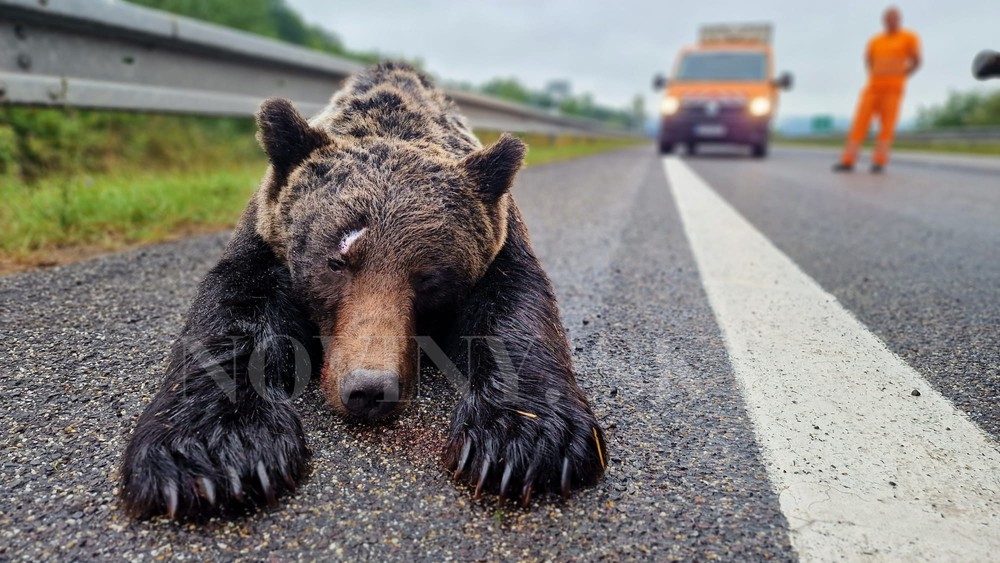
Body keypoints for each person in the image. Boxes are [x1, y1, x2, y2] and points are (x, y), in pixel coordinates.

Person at [834, 7, 921, 173]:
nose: (891, 21)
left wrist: (903, 74)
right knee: (859, 123)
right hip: (873, 88)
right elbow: (868, 61)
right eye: (888, 18)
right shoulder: (875, 41)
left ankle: (879, 162)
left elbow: (917, 61)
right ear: (883, 20)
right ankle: (848, 160)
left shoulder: (909, 38)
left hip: (893, 89)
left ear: (899, 20)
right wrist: (875, 74)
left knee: (887, 126)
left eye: (894, 18)